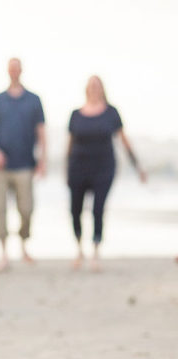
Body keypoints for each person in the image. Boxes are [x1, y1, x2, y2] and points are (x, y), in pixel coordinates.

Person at [67, 75, 147, 271]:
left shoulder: (111, 113)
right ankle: (79, 249)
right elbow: (69, 144)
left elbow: (123, 140)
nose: (94, 88)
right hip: (78, 167)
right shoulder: (75, 115)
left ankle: (95, 251)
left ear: (102, 89)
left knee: (98, 209)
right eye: (91, 85)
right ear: (86, 89)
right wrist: (66, 169)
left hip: (103, 168)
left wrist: (137, 166)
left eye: (97, 85)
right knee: (75, 209)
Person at [0, 58, 47, 271]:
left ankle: (24, 247)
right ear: (8, 71)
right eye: (11, 68)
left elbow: (41, 132)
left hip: (25, 164)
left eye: (17, 67)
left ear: (21, 70)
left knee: (26, 209)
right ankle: (4, 254)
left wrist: (43, 160)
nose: (14, 71)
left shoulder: (34, 100)